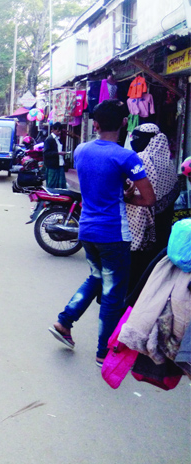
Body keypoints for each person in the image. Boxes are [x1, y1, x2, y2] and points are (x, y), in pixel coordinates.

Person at [49, 100, 155, 367]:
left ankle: (64, 321)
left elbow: (98, 184)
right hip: (113, 234)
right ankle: (103, 352)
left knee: (96, 277)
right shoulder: (125, 156)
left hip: (87, 229)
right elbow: (149, 198)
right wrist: (126, 200)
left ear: (94, 124)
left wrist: (119, 194)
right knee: (112, 294)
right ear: (123, 124)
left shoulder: (82, 150)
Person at [125, 124, 180, 294]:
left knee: (136, 265)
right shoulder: (168, 161)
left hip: (141, 221)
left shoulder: (141, 159)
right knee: (154, 261)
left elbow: (129, 189)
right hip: (163, 219)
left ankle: (130, 300)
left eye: (138, 138)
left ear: (150, 140)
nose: (134, 142)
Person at [44, 123, 67, 189]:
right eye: (57, 131)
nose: (59, 132)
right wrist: (58, 153)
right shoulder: (49, 139)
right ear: (52, 130)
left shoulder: (59, 139)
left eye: (60, 131)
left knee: (61, 185)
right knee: (52, 185)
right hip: (52, 165)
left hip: (60, 164)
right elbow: (46, 153)